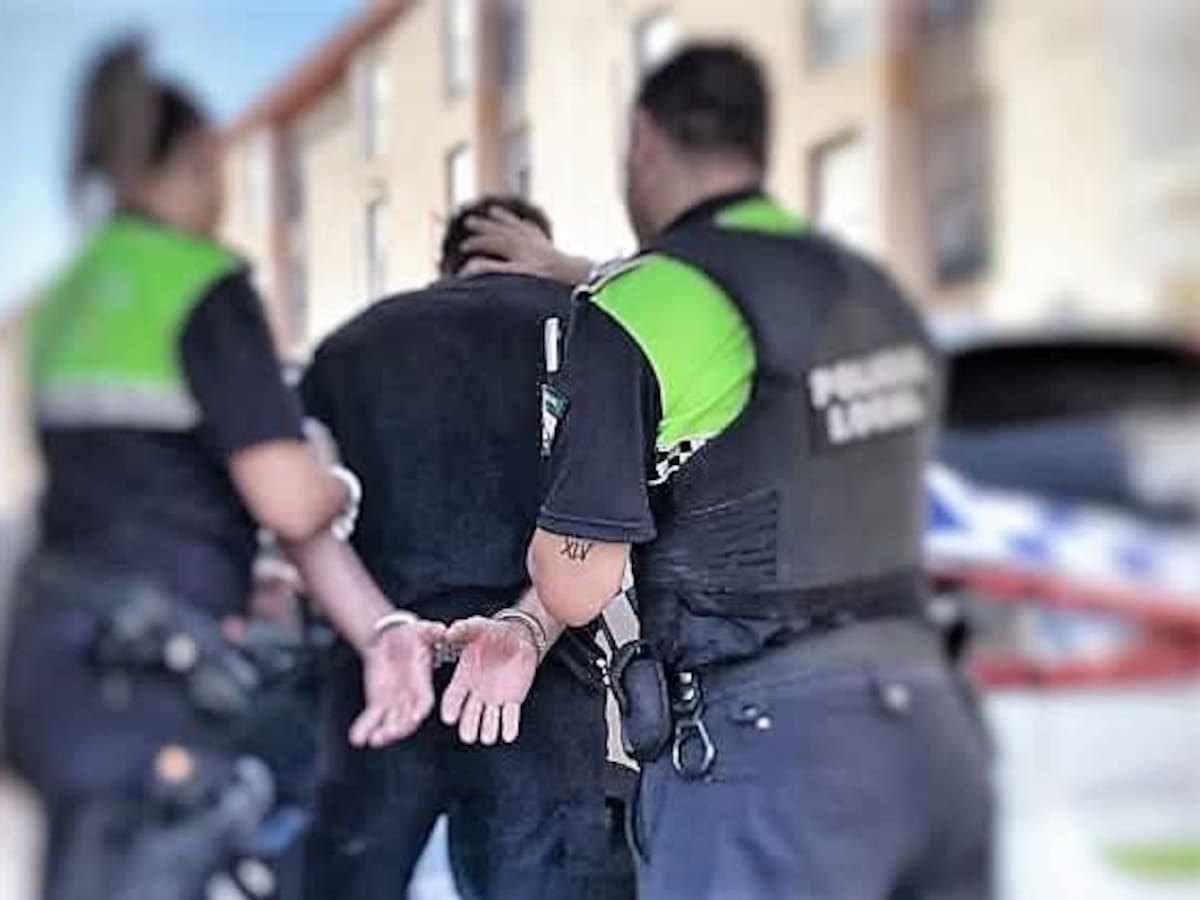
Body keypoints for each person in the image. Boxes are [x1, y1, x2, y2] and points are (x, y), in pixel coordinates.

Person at [456, 44, 994, 900]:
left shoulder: (639, 309)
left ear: (644, 139)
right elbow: (759, 339)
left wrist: (528, 603)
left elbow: (575, 587)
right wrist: (573, 268)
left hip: (766, 756)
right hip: (929, 733)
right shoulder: (865, 288)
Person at [3, 40, 445, 900]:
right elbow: (291, 503)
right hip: (151, 677)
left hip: (57, 663)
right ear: (198, 159)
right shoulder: (197, 283)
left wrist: (381, 631)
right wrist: (331, 474)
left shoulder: (69, 298)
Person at [298, 196, 614, 900]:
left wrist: (382, 627)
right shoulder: (586, 332)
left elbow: (303, 517)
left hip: (379, 680)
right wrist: (529, 622)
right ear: (537, 252)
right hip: (537, 683)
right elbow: (607, 508)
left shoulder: (349, 349)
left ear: (444, 266)